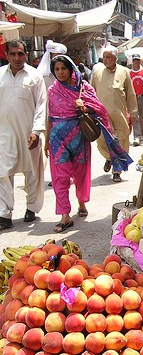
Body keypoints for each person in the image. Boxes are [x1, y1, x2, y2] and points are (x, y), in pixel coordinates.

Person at [45, 55, 109, 232]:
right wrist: (46, 141)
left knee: (81, 173)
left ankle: (82, 202)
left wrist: (84, 107)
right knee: (60, 176)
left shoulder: (84, 88)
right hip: (57, 139)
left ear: (71, 68)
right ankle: (65, 214)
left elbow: (98, 108)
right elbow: (49, 117)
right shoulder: (52, 91)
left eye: (63, 68)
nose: (60, 72)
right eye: (56, 69)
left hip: (79, 136)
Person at [0, 40, 47, 229]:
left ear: (26, 54)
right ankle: (4, 213)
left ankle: (32, 208)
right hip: (5, 133)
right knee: (3, 172)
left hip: (29, 132)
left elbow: (42, 105)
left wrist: (36, 131)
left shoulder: (35, 76)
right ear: (7, 55)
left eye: (20, 54)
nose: (17, 58)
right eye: (13, 54)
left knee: (32, 171)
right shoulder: (0, 75)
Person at [91, 45, 137, 183]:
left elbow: (130, 94)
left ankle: (117, 170)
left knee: (121, 141)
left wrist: (133, 113)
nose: (105, 60)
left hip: (119, 114)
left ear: (115, 58)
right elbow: (91, 92)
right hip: (101, 116)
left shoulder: (124, 72)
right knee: (102, 141)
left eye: (108, 57)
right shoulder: (97, 73)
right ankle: (109, 158)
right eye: (104, 57)